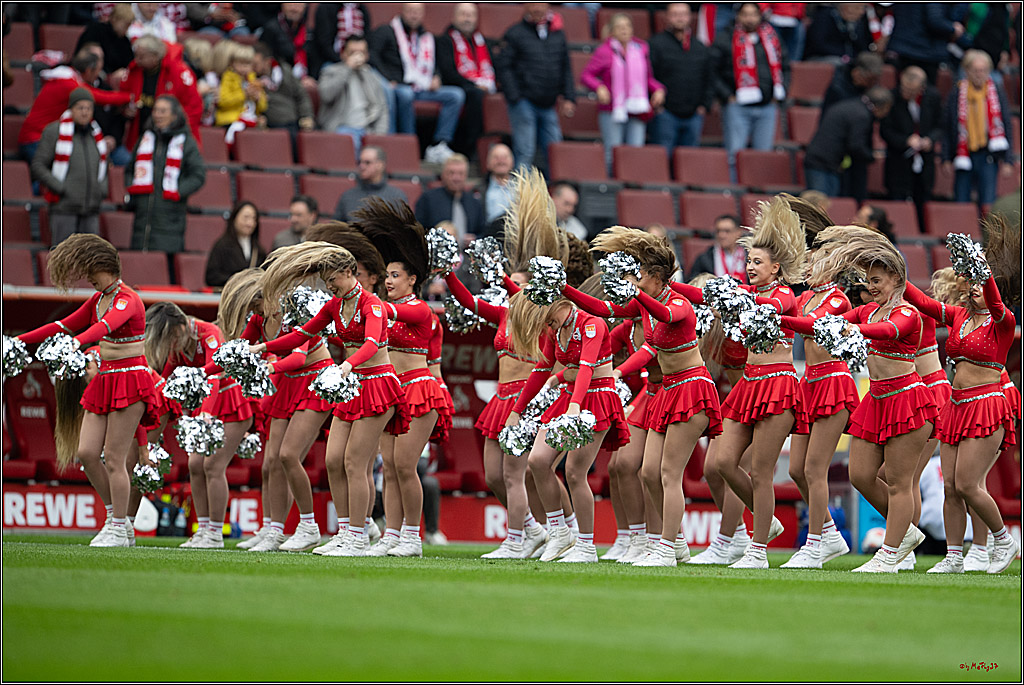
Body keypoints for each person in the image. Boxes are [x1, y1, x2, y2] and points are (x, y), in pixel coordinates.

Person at [562, 228, 726, 567]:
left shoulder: (677, 302)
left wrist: (635, 293)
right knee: (648, 472)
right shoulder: (644, 305)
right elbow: (601, 307)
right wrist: (563, 289)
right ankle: (676, 542)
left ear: (656, 276)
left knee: (668, 473)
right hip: (666, 391)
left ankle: (665, 548)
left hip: (692, 388)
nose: (634, 280)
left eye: (639, 275)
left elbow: (668, 316)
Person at [781, 226, 940, 573]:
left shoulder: (907, 313)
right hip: (877, 400)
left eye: (877, 280)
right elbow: (821, 325)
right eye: (869, 281)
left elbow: (889, 331)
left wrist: (855, 329)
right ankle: (906, 533)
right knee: (861, 475)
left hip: (907, 400)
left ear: (896, 278)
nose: (872, 286)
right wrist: (780, 320)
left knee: (899, 482)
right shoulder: (867, 310)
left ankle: (889, 554)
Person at [671, 196, 807, 569]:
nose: (750, 267)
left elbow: (771, 310)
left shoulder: (783, 295)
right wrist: (670, 288)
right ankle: (767, 520)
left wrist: (737, 300)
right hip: (748, 385)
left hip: (778, 385)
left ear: (776, 268)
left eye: (757, 262)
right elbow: (705, 294)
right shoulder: (748, 293)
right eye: (748, 262)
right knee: (723, 463)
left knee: (761, 471)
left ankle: (757, 550)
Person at [251, 243, 412, 558]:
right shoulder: (334, 305)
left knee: (354, 462)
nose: (329, 286)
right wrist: (262, 348)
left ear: (350, 272)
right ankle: (345, 532)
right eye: (326, 281)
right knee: (332, 460)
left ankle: (358, 536)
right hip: (350, 385)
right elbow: (301, 335)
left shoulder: (372, 304)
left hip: (377, 384)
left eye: (333, 279)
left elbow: (371, 343)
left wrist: (347, 365)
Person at [16, 235, 160, 547]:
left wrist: (77, 342)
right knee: (87, 453)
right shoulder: (97, 299)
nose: (89, 279)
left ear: (104, 266)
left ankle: (119, 528)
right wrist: (19, 340)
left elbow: (104, 327)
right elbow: (62, 325)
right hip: (105, 380)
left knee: (115, 458)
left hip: (130, 380)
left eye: (91, 272)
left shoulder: (127, 299)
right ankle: (115, 519)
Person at [902, 218, 1020, 574]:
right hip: (955, 405)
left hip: (987, 404)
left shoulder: (1002, 321)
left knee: (969, 483)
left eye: (980, 285)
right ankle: (954, 556)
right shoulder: (959, 317)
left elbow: (995, 301)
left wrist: (983, 270)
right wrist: (895, 274)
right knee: (951, 487)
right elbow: (923, 302)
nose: (974, 290)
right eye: (971, 284)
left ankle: (1003, 539)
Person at [505, 268, 630, 564]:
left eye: (545, 319)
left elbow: (586, 367)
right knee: (537, 461)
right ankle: (560, 532)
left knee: (575, 472)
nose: (545, 326)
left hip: (597, 398)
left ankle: (586, 545)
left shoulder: (591, 323)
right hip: (570, 397)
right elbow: (542, 368)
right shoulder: (555, 329)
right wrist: (516, 410)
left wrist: (575, 406)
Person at [354, 199, 452, 558]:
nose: (389, 281)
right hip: (394, 392)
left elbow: (385, 310)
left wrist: (357, 291)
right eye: (387, 275)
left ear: (412, 279)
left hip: (420, 391)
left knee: (407, 466)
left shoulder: (419, 309)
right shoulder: (387, 309)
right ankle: (392, 535)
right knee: (391, 469)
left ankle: (413, 535)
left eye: (395, 275)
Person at [778, 197, 856, 569]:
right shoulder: (805, 296)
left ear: (832, 266)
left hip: (834, 384)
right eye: (806, 261)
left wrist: (779, 318)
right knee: (796, 469)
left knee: (814, 468)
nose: (807, 267)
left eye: (814, 262)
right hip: (808, 384)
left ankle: (815, 544)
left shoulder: (838, 300)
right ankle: (830, 535)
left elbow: (811, 325)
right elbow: (785, 310)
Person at [146, 299, 256, 549]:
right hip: (206, 407)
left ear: (181, 327)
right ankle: (203, 529)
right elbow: (166, 382)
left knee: (213, 466)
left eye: (172, 338)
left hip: (231, 404)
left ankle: (216, 532)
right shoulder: (177, 346)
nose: (170, 345)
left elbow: (215, 377)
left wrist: (205, 414)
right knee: (195, 465)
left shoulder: (208, 333)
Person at [370, 2, 466, 164]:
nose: (414, 15)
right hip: (398, 85)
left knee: (456, 95)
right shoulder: (387, 31)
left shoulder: (426, 36)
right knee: (406, 94)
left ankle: (439, 144)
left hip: (422, 87)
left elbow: (433, 63)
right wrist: (387, 78)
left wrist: (436, 77)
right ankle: (409, 142)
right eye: (411, 11)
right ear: (403, 11)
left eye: (418, 12)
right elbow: (373, 56)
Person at [710, 3, 789, 184]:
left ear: (760, 17)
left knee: (762, 157)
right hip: (737, 106)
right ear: (738, 16)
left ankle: (758, 193)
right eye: (745, 14)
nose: (750, 19)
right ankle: (735, 191)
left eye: (753, 14)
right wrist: (727, 96)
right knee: (734, 155)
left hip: (767, 107)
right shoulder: (725, 38)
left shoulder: (771, 37)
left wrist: (781, 92)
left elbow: (785, 66)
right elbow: (712, 71)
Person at [495, 3, 576, 172]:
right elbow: (503, 67)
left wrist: (569, 97)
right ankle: (520, 188)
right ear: (525, 6)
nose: (537, 8)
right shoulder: (515, 33)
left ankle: (555, 188)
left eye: (541, 4)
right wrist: (515, 96)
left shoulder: (557, 33)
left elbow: (565, 67)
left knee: (555, 152)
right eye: (533, 4)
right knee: (525, 151)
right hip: (523, 102)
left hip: (549, 103)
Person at [580, 13, 665, 173]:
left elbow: (646, 78)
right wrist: (599, 87)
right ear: (612, 31)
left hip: (637, 109)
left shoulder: (640, 49)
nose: (624, 30)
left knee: (635, 153)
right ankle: (612, 183)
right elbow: (586, 76)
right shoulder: (604, 51)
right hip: (612, 109)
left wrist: (658, 89)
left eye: (627, 26)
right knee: (612, 153)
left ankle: (633, 182)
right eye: (620, 27)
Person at [18, 49, 131, 163]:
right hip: (36, 140)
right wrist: (130, 97)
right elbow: (101, 97)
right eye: (98, 71)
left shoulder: (66, 77)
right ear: (88, 71)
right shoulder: (69, 84)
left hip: (40, 137)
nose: (98, 75)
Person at [125, 94, 205, 254]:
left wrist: (177, 191)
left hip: (170, 219)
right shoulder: (145, 139)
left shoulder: (186, 142)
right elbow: (129, 170)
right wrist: (132, 190)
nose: (157, 115)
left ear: (174, 115)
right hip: (142, 218)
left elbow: (198, 175)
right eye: (155, 110)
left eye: (163, 111)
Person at [31, 89, 108, 247]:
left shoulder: (96, 135)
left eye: (89, 108)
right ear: (71, 108)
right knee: (63, 255)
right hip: (64, 208)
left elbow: (104, 166)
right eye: (80, 108)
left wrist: (101, 189)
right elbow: (38, 165)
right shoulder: (55, 131)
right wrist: (60, 187)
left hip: (91, 209)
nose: (85, 112)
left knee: (90, 257)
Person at [943, 50, 1014, 212]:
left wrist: (1008, 159)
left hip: (988, 155)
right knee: (961, 202)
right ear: (967, 71)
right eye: (975, 70)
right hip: (963, 154)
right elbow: (947, 128)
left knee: (988, 203)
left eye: (983, 70)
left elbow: (1006, 126)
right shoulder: (957, 93)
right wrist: (946, 157)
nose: (979, 74)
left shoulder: (996, 92)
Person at [804, 87, 893, 202]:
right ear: (881, 106)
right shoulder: (862, 115)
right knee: (819, 205)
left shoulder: (852, 105)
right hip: (823, 164)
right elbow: (856, 145)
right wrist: (871, 155)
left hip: (823, 160)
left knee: (827, 204)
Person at [649, 3, 714, 154]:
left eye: (683, 14)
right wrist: (656, 106)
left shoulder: (700, 47)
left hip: (694, 115)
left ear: (690, 17)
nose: (680, 18)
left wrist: (704, 105)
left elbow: (709, 78)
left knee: (689, 160)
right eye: (675, 14)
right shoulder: (655, 44)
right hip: (665, 114)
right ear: (667, 17)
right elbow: (648, 76)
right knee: (663, 158)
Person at [119, 35, 203, 150]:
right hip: (139, 135)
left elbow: (195, 108)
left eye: (141, 57)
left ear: (156, 56)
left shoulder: (179, 72)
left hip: (172, 139)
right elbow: (123, 96)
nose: (137, 60)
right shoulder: (133, 69)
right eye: (136, 56)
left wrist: (176, 128)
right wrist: (125, 109)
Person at [881, 66, 943, 221]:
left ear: (922, 88)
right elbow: (885, 130)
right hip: (899, 161)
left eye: (911, 90)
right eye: (905, 89)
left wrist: (930, 139)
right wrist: (906, 140)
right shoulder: (892, 97)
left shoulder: (933, 97)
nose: (906, 93)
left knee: (923, 199)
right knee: (898, 201)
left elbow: (940, 126)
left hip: (925, 160)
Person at [436, 3, 497, 158]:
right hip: (458, 86)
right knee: (475, 95)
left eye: (471, 15)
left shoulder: (483, 42)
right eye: (463, 14)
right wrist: (474, 85)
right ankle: (469, 149)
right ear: (454, 17)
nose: (467, 19)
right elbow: (447, 72)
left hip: (482, 86)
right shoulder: (445, 40)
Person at [317, 34, 389, 153]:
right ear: (343, 54)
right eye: (352, 53)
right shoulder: (330, 71)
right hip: (340, 128)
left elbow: (382, 108)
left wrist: (379, 135)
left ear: (367, 55)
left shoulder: (373, 77)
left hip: (367, 129)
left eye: (361, 53)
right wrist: (348, 68)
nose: (357, 56)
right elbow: (327, 95)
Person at [414, 154, 484, 245]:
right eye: (451, 173)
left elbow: (482, 232)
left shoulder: (474, 203)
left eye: (461, 173)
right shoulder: (427, 199)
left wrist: (475, 240)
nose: (456, 178)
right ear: (443, 175)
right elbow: (417, 231)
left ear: (466, 176)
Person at [887, 4, 963, 84]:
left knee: (902, 86)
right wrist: (953, 28)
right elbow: (935, 20)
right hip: (924, 52)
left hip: (900, 48)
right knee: (923, 88)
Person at [253, 42, 314, 136]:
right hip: (270, 126)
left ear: (267, 61)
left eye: (255, 64)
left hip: (293, 122)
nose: (252, 67)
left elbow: (301, 95)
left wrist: (307, 116)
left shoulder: (285, 71)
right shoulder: (251, 80)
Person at [333, 145, 408, 221]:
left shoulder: (396, 197)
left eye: (367, 163)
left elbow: (405, 226)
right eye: (359, 162)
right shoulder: (347, 196)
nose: (362, 167)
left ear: (380, 165)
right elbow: (335, 226)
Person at [205, 201, 268, 289]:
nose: (250, 223)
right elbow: (211, 276)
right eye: (246, 218)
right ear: (234, 218)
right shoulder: (222, 245)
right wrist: (237, 280)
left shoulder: (258, 250)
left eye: (254, 219)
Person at [215, 43, 267, 140]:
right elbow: (223, 101)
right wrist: (244, 94)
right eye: (240, 64)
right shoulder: (228, 77)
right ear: (232, 63)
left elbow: (263, 107)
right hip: (231, 119)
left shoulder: (253, 79)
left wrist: (258, 98)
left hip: (250, 120)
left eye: (247, 64)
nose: (243, 68)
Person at [260, 3, 316, 86]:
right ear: (282, 5)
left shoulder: (308, 29)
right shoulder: (271, 28)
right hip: (280, 77)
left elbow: (315, 58)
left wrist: (311, 78)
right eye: (290, 4)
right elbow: (266, 57)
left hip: (305, 75)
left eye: (298, 5)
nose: (294, 9)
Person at [803, 3, 874, 65]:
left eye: (863, 8)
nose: (861, 12)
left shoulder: (859, 22)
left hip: (849, 58)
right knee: (840, 64)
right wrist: (844, 54)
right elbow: (818, 44)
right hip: (822, 57)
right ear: (846, 7)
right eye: (857, 8)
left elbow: (863, 46)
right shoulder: (824, 16)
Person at [74, 3, 134, 75]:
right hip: (92, 73)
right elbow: (85, 58)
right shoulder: (95, 31)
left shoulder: (124, 41)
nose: (127, 29)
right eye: (125, 25)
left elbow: (129, 63)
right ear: (115, 19)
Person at [312, 3, 370, 76]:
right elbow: (324, 42)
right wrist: (344, 63)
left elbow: (367, 38)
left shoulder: (361, 9)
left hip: (361, 62)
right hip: (332, 61)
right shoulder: (326, 7)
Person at [686, 214, 747, 282]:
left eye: (727, 231)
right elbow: (692, 282)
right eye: (718, 231)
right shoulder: (704, 259)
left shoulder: (749, 255)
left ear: (738, 232)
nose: (721, 235)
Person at [479, 142, 515, 226]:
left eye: (505, 157)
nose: (501, 161)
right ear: (488, 163)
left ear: (512, 162)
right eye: (496, 157)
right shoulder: (479, 191)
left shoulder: (522, 189)